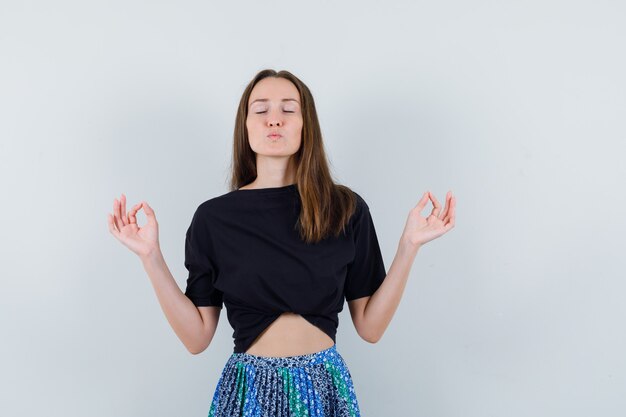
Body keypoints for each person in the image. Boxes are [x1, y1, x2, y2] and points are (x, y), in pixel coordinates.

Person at [107, 69, 456, 416]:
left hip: (324, 389)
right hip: (248, 393)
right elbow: (197, 337)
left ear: (306, 125)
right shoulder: (214, 219)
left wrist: (409, 246)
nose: (274, 120)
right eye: (261, 110)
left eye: (288, 110)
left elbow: (371, 327)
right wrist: (150, 257)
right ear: (245, 126)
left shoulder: (345, 209)